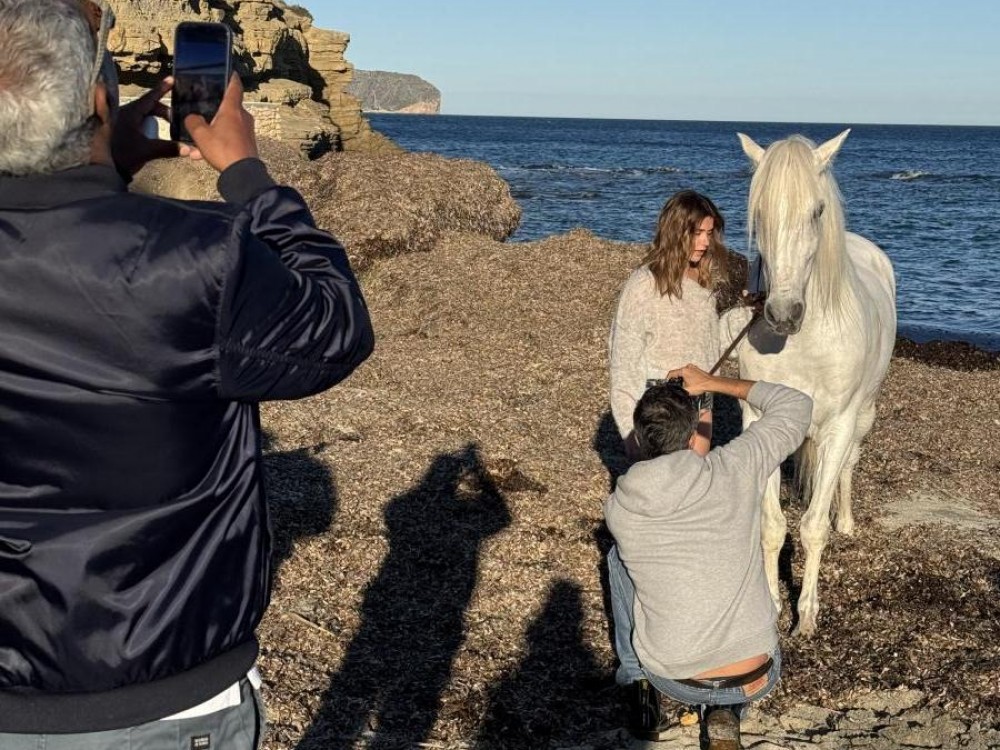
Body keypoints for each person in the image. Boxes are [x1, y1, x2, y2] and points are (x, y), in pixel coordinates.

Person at [0, 1, 373, 747]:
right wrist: (249, 176)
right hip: (163, 696)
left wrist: (98, 165)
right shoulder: (199, 259)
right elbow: (335, 325)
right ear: (99, 102)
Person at [604, 364, 812, 749]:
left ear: (639, 438)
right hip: (755, 672)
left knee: (620, 560)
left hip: (676, 676)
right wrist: (712, 383)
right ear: (693, 434)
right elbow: (796, 404)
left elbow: (663, 469)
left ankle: (640, 687)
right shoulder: (737, 468)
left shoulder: (621, 509)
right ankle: (726, 711)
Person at [609, 190, 731, 459]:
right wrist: (630, 432)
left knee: (694, 477)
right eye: (697, 233)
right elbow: (623, 364)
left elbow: (711, 341)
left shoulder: (706, 282)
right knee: (660, 480)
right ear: (676, 232)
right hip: (660, 406)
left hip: (701, 399)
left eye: (709, 233)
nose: (705, 242)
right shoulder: (644, 285)